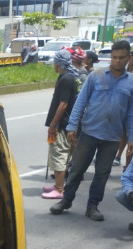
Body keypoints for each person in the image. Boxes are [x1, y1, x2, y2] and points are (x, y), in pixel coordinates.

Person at [49, 40, 133, 221]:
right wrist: (72, 127)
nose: (118, 61)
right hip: (89, 132)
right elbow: (80, 102)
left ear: (128, 58)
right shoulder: (96, 76)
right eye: (114, 57)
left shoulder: (132, 83)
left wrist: (131, 138)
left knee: (102, 173)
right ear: (110, 58)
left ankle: (93, 206)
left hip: (112, 137)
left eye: (122, 58)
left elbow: (132, 112)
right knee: (76, 169)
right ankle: (66, 200)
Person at [41, 50, 80, 200]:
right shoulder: (69, 77)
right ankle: (58, 185)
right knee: (59, 154)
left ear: (58, 63)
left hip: (62, 125)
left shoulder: (66, 79)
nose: (53, 64)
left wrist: (53, 124)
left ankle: (59, 188)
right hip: (66, 124)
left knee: (59, 155)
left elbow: (63, 104)